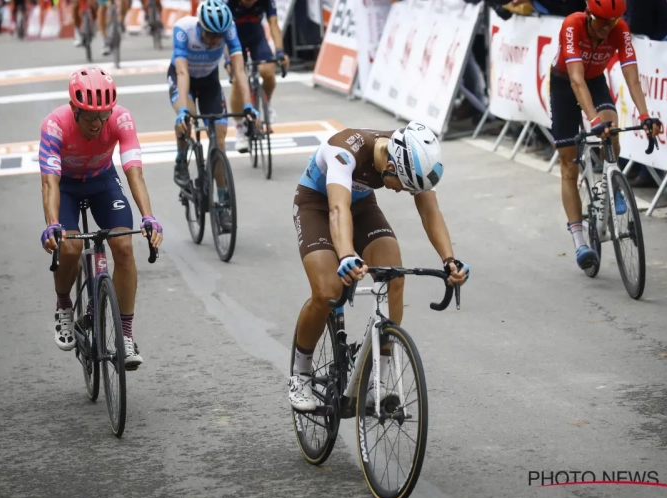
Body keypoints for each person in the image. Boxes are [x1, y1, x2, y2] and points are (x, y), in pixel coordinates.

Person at [288, 121, 470, 411]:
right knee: (327, 291)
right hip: (318, 206)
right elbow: (337, 209)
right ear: (389, 165)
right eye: (401, 186)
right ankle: (301, 374)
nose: (401, 193)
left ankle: (377, 381)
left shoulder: (409, 155)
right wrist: (347, 255)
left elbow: (429, 209)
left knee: (393, 276)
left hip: (360, 206)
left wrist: (449, 260)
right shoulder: (345, 151)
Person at [39, 68, 164, 370]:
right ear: (74, 109)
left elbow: (134, 170)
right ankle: (64, 305)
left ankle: (127, 334)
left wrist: (149, 217)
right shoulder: (55, 125)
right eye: (89, 117)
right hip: (66, 187)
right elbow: (49, 183)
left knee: (123, 247)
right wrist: (52, 224)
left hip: (102, 181)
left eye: (103, 115)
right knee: (68, 247)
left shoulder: (120, 119)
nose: (97, 124)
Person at [549, 0, 661, 270]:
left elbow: (632, 77)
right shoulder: (573, 24)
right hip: (565, 84)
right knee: (568, 165)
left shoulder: (619, 28)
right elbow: (576, 80)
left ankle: (612, 185)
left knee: (611, 130)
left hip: (595, 81)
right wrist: (593, 120)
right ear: (589, 14)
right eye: (601, 21)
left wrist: (645, 115)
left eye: (612, 22)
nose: (606, 28)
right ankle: (579, 240)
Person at [168, 0, 258, 233]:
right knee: (187, 120)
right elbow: (181, 70)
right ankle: (180, 161)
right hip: (183, 79)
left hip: (209, 82)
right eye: (210, 35)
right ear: (200, 26)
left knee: (219, 140)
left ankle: (223, 207)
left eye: (219, 36)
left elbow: (239, 71)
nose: (215, 41)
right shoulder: (183, 29)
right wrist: (183, 111)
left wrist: (248, 105)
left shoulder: (229, 29)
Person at [224, 0, 289, 152]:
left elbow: (273, 25)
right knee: (238, 82)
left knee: (268, 71)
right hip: (235, 38)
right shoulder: (228, 2)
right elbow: (224, 32)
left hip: (256, 36)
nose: (248, 3)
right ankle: (240, 128)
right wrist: (228, 59)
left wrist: (279, 51)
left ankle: (266, 103)